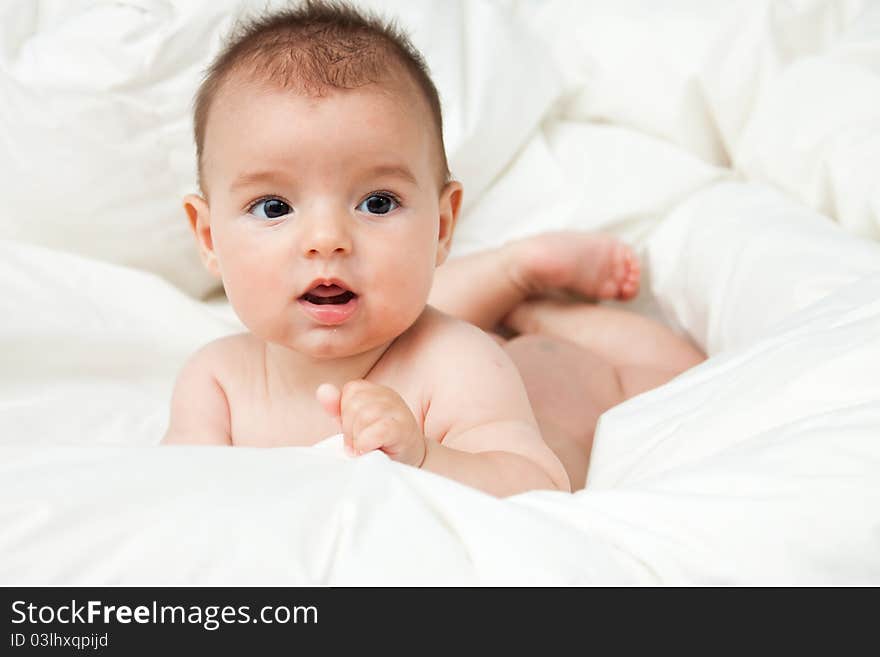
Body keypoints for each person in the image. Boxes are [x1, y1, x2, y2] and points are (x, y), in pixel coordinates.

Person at [162, 0, 704, 495]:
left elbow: (536, 482)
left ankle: (542, 312)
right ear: (209, 238)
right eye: (274, 207)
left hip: (558, 385)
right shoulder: (216, 383)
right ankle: (513, 287)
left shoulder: (459, 364)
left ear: (442, 225)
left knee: (679, 377)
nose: (326, 239)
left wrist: (425, 456)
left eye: (377, 202)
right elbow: (172, 497)